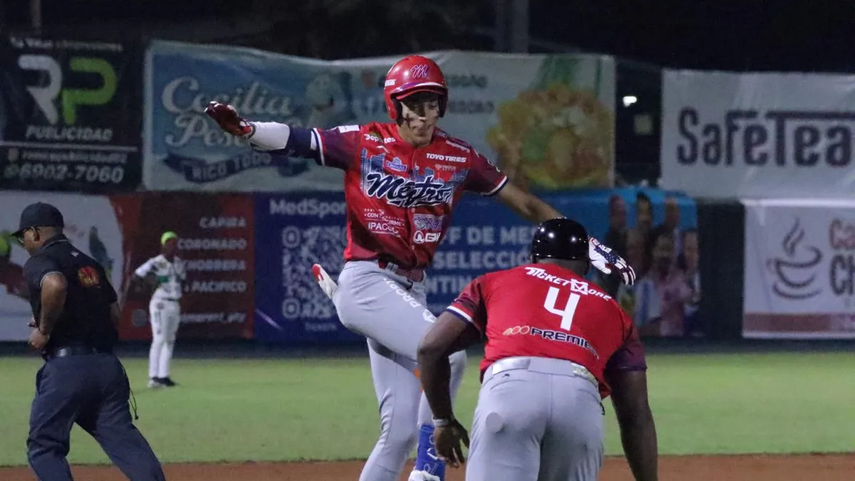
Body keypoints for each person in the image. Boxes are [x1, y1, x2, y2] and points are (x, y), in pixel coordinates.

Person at [205, 55, 636, 481]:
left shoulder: (457, 156)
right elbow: (299, 138)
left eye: (432, 102)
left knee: (395, 436)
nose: (424, 113)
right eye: (414, 102)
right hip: (368, 278)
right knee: (445, 352)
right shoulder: (364, 141)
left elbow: (523, 201)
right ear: (395, 105)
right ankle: (429, 473)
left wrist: (588, 240)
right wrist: (248, 130)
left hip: (409, 290)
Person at [417, 218, 658, 481]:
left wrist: (442, 421)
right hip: (579, 404)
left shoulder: (494, 282)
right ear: (587, 265)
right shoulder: (614, 311)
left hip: (510, 392)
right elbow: (636, 415)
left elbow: (430, 348)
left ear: (533, 257)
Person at [13, 202, 165, 481]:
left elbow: (55, 284)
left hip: (67, 369)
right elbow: (113, 314)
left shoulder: (41, 260)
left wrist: (45, 329)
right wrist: (63, 319)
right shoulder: (89, 262)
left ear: (35, 232)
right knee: (125, 443)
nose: (23, 243)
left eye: (23, 236)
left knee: (44, 447)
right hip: (107, 369)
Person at [134, 231, 186, 388]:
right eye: (169, 243)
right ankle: (153, 377)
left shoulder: (178, 263)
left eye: (174, 243)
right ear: (163, 245)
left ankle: (164, 376)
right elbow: (137, 276)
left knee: (170, 340)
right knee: (159, 339)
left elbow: (182, 281)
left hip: (174, 302)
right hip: (160, 302)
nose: (172, 246)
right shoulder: (156, 262)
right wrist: (151, 282)